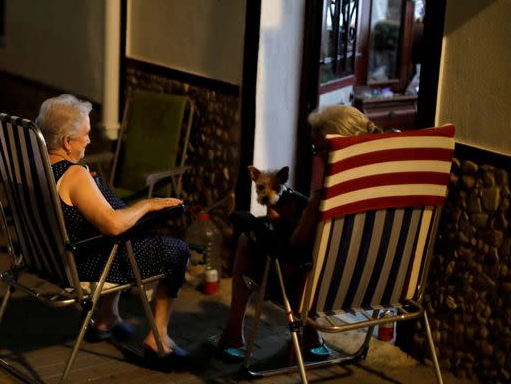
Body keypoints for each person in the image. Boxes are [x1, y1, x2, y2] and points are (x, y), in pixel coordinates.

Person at [210, 105, 383, 361]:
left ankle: (234, 334)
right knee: (312, 261)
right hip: (371, 284)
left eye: (317, 149)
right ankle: (311, 337)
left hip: (310, 287)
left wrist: (263, 225)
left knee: (249, 240)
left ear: (335, 147)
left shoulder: (323, 199)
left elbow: (294, 245)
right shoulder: (385, 191)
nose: (315, 156)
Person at [36, 94, 190, 363]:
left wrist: (91, 189)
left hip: (48, 258)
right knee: (176, 250)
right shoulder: (74, 176)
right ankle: (159, 338)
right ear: (66, 142)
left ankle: (108, 317)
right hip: (82, 265)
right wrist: (148, 204)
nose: (89, 140)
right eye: (85, 134)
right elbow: (114, 225)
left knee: (108, 204)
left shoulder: (34, 165)